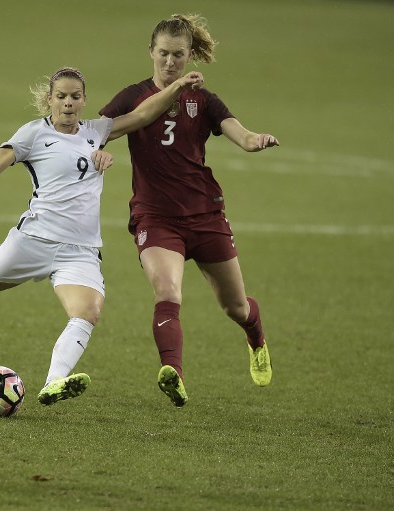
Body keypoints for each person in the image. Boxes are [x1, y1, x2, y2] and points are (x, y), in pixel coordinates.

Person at [0, 67, 203, 407]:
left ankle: (54, 381)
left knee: (88, 311)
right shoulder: (33, 134)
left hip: (79, 251)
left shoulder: (97, 132)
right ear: (49, 100)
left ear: (84, 101)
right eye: (61, 96)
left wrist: (179, 87)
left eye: (75, 97)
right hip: (32, 241)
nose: (68, 103)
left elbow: (143, 114)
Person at [99, 14, 278, 407]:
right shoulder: (133, 96)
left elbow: (242, 135)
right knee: (167, 290)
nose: (169, 63)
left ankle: (255, 336)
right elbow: (100, 129)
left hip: (206, 215)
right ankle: (173, 373)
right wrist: (97, 152)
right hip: (155, 217)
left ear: (190, 55)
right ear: (150, 52)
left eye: (178, 55)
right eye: (162, 54)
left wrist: (256, 140)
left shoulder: (205, 101)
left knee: (235, 306)